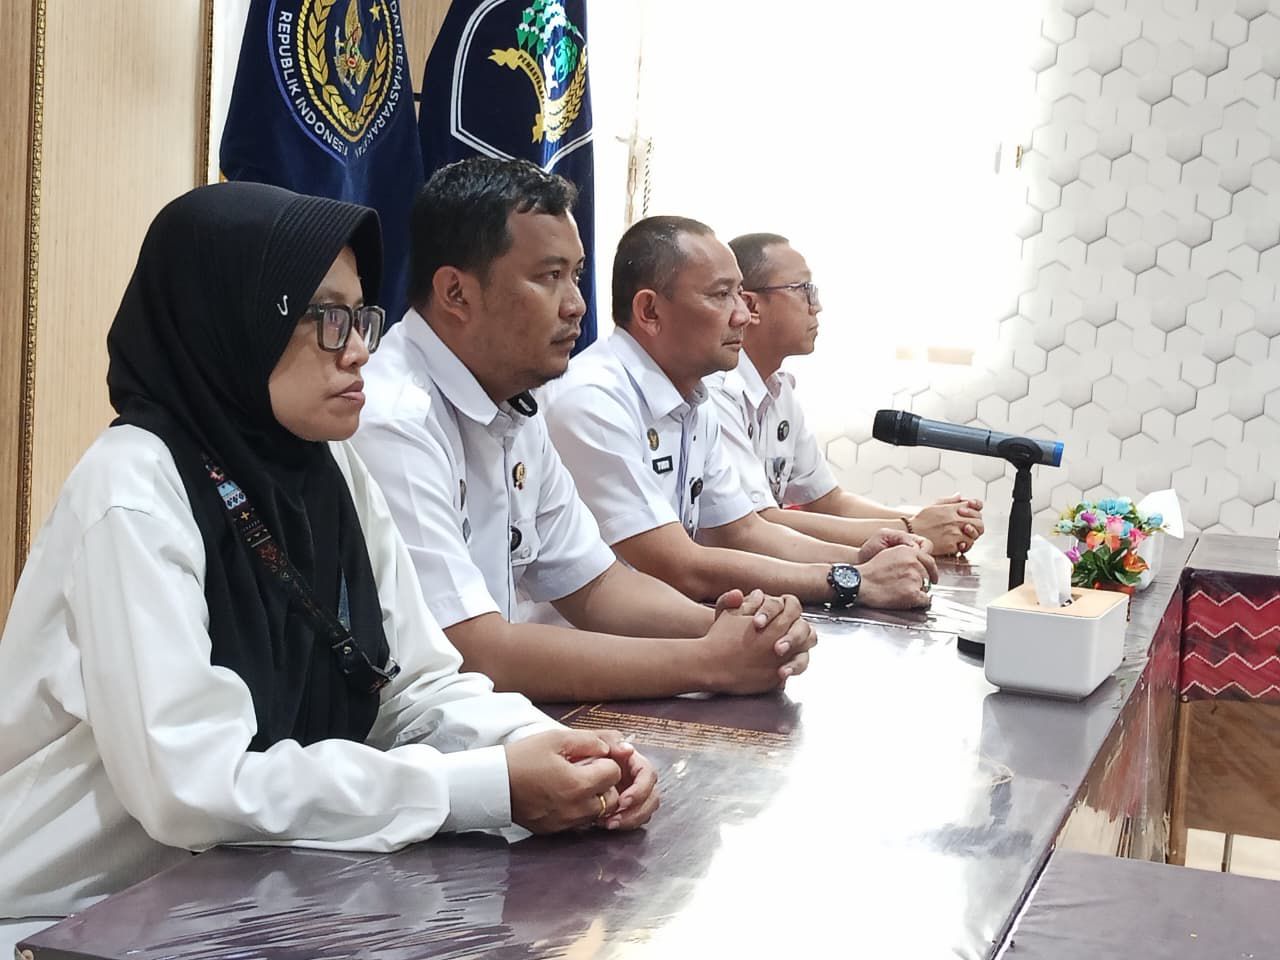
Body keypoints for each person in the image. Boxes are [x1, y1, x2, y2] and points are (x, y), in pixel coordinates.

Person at [0, 183, 656, 948]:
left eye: (360, 316)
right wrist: (483, 787)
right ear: (232, 320)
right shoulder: (132, 491)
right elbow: (198, 786)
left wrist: (560, 750)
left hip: (250, 891)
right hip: (70, 918)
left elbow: (414, 687)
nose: (359, 349)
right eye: (325, 318)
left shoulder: (325, 468)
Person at [352, 157, 814, 702]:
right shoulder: (393, 417)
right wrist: (708, 661)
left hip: (495, 717)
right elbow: (473, 650)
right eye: (550, 277)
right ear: (456, 293)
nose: (576, 305)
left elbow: (597, 586)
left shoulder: (512, 400)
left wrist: (743, 631)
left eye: (575, 275)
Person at [544, 216, 937, 610]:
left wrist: (860, 558)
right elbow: (681, 566)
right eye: (721, 295)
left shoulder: (693, 400)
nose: (742, 316)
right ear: (650, 311)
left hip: (663, 627)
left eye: (739, 294)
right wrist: (850, 579)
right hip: (591, 639)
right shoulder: (594, 399)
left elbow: (743, 530)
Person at [712, 232, 986, 556]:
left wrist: (927, 520)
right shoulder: (717, 394)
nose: (817, 306)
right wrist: (911, 529)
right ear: (751, 306)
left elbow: (829, 501)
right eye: (803, 289)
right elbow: (758, 522)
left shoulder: (779, 390)